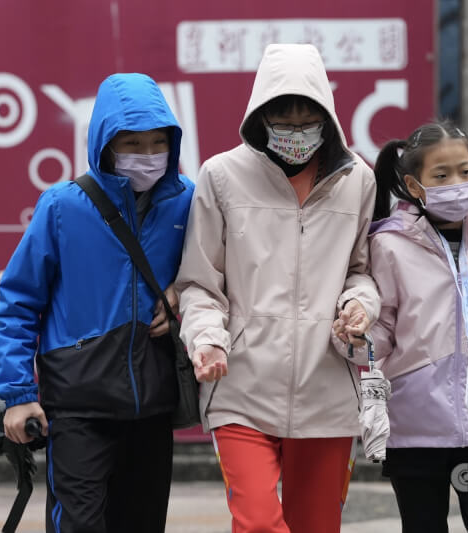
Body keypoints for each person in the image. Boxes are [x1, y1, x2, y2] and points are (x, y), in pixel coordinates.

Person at [175, 43, 380, 533]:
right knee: (259, 525)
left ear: (326, 117)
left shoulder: (358, 180)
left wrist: (358, 305)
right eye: (282, 119)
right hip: (241, 385)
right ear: (260, 115)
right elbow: (200, 283)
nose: (295, 130)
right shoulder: (220, 176)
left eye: (306, 118)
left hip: (328, 388)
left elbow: (362, 270)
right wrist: (206, 340)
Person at [0, 73, 194, 533]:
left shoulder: (189, 202)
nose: (146, 155)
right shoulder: (63, 206)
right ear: (105, 143)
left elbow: (217, 276)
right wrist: (18, 396)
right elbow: (19, 301)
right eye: (133, 143)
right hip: (78, 405)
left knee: (141, 525)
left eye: (157, 142)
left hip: (152, 404)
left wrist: (182, 291)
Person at [341, 121, 468, 533]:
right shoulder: (388, 244)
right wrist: (354, 338)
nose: (457, 182)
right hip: (412, 433)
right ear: (415, 187)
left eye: (465, 171)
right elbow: (381, 333)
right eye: (441, 175)